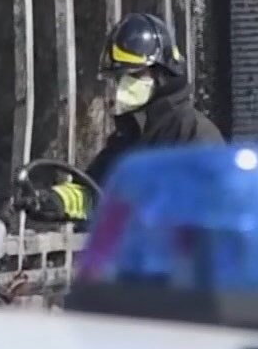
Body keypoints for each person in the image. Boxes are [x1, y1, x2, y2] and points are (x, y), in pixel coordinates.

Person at [20, 12, 222, 222]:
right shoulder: (130, 136)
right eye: (119, 77)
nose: (123, 85)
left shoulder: (195, 135)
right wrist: (52, 201)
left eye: (134, 75)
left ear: (161, 74)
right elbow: (94, 191)